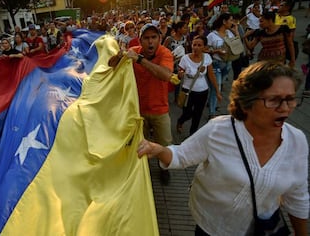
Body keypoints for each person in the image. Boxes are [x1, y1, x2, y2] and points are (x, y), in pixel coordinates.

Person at [137, 61, 308, 235]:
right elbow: (180, 156)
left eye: (290, 99)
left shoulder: (297, 141)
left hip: (263, 230)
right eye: (274, 100)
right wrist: (158, 150)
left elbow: (297, 198)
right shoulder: (218, 130)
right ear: (246, 102)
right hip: (210, 227)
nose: (285, 108)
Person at [121, 23, 174, 185]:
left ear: (159, 39)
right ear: (140, 40)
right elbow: (112, 65)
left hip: (160, 110)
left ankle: (164, 170)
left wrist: (140, 60)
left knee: (164, 144)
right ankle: (141, 172)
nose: (150, 42)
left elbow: (165, 75)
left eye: (154, 37)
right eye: (146, 38)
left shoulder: (165, 53)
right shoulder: (133, 52)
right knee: (139, 144)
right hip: (138, 111)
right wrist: (118, 54)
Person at [176, 36, 222, 135]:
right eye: (194, 45)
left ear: (204, 47)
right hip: (187, 91)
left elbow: (211, 75)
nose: (196, 47)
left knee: (198, 115)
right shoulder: (185, 58)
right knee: (187, 113)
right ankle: (180, 121)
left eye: (199, 45)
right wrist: (180, 74)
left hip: (202, 91)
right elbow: (179, 73)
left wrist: (217, 92)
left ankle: (192, 135)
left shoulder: (207, 58)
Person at [206, 13, 238, 119]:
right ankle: (212, 113)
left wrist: (236, 29)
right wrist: (217, 51)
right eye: (230, 20)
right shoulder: (212, 36)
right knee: (216, 88)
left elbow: (237, 43)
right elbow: (205, 50)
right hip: (215, 64)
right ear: (224, 21)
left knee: (215, 87)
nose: (232, 22)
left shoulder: (230, 33)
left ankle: (211, 101)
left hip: (227, 64)